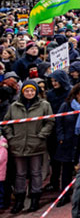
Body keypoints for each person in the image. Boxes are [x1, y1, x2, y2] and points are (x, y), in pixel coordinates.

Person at [3, 79, 53, 213]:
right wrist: (11, 137)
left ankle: (35, 199)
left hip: (36, 144)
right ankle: (19, 200)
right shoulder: (14, 106)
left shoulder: (44, 105)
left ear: (36, 92)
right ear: (22, 92)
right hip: (18, 145)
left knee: (36, 173)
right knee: (20, 174)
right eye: (27, 91)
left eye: (32, 90)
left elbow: (50, 122)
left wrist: (42, 135)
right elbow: (6, 123)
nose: (29, 93)